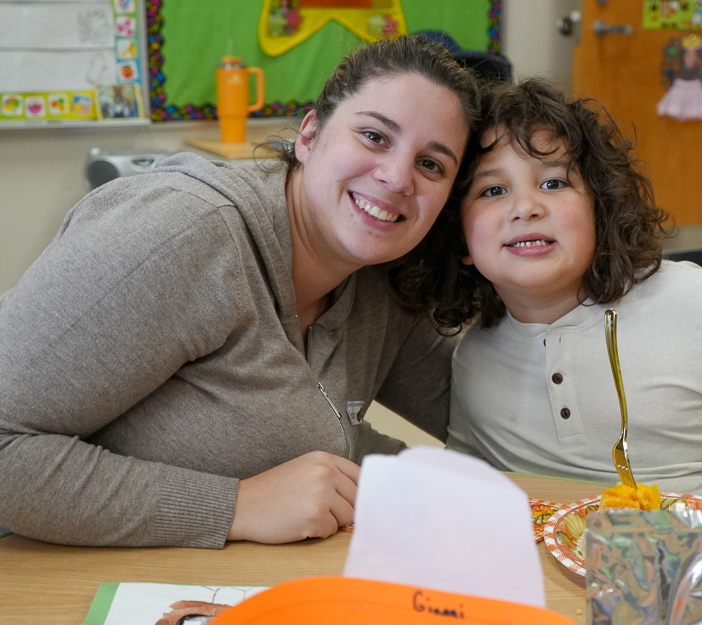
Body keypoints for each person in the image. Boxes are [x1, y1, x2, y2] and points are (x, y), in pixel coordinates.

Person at [0, 35, 480, 548]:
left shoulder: (378, 279)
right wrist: (236, 506)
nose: (397, 177)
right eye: (374, 137)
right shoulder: (186, 232)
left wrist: (538, 272)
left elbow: (481, 417)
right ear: (310, 135)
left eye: (432, 164)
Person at [422, 78, 702, 541]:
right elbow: (468, 482)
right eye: (492, 191)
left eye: (553, 182)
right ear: (460, 238)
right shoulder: (473, 359)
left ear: (600, 210)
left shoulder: (701, 306)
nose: (526, 206)